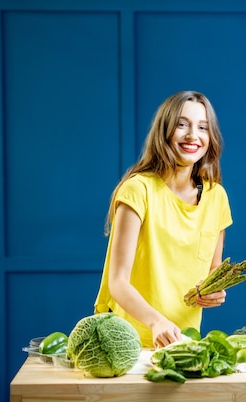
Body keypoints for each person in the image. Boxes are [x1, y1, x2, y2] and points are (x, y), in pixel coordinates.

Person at [94, 91, 232, 348]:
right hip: (127, 342)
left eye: (202, 127)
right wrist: (156, 322)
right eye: (182, 124)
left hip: (183, 343)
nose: (193, 135)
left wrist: (213, 290)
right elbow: (117, 282)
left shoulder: (216, 197)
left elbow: (213, 268)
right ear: (164, 132)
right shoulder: (138, 190)